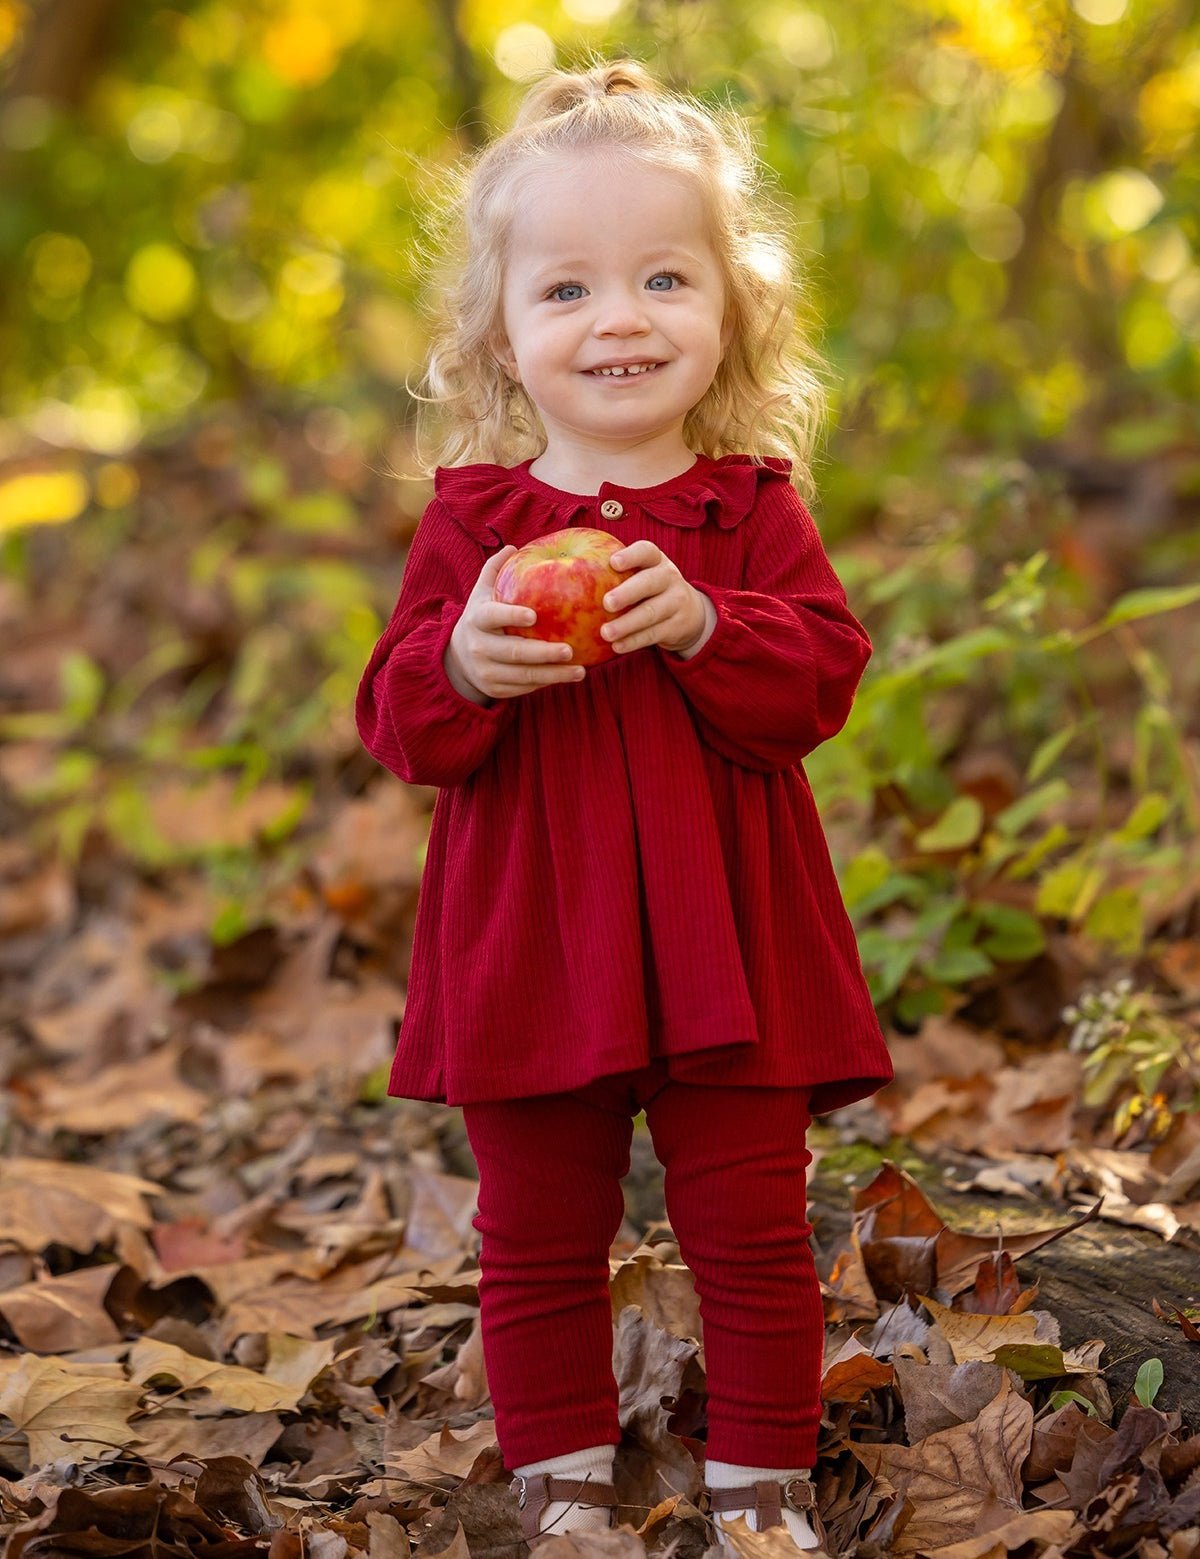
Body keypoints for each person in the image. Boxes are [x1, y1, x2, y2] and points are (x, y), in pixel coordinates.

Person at [356, 58, 892, 1553]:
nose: (621, 319)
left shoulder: (748, 508)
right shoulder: (474, 523)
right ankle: (566, 1491)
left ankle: (761, 1489)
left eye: (665, 277)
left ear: (732, 312)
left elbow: (823, 680)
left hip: (731, 938)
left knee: (753, 1229)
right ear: (503, 333)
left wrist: (713, 623)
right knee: (534, 1236)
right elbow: (397, 719)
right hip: (532, 936)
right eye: (570, 289)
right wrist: (464, 655)